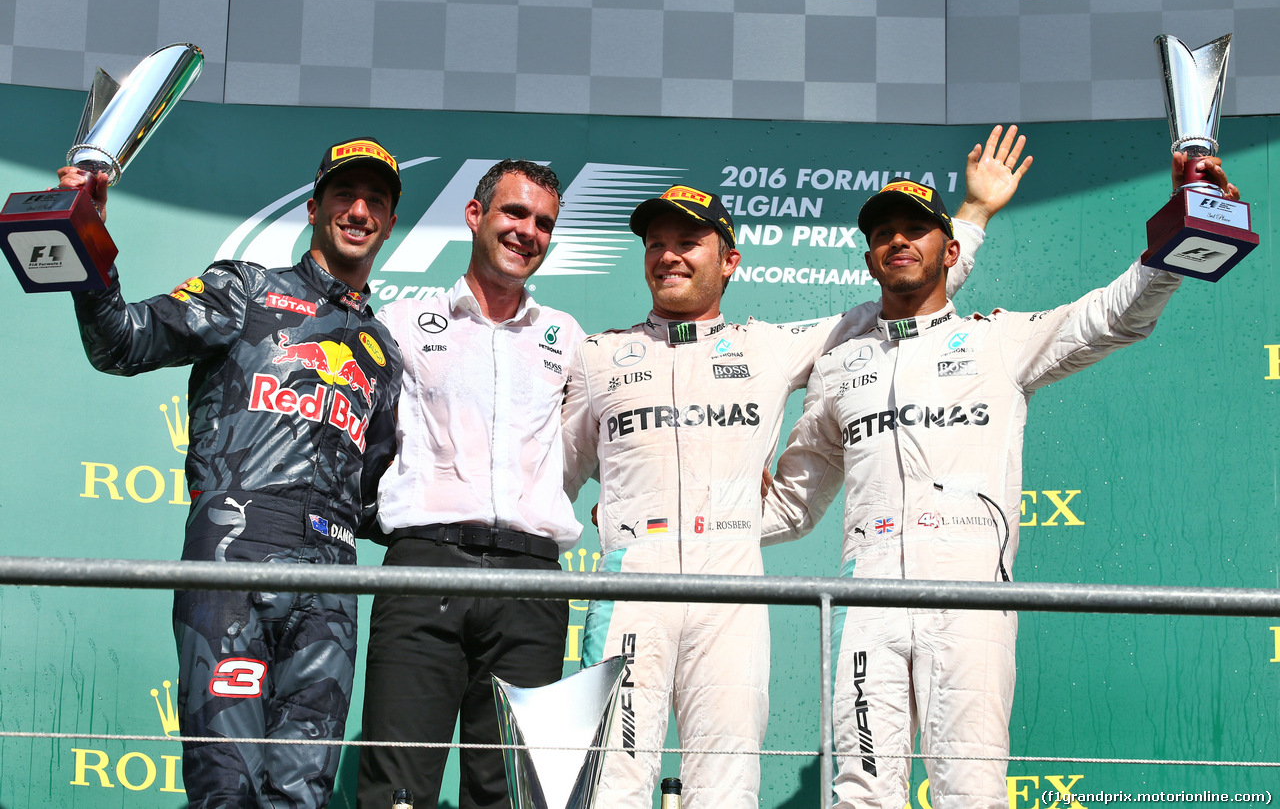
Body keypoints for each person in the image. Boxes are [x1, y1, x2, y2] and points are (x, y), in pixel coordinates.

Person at [560, 127, 1031, 808]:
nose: (668, 254)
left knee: (724, 791)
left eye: (688, 241)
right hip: (630, 581)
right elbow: (550, 480)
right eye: (656, 242)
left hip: (731, 590)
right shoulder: (597, 356)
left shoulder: (770, 347)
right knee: (610, 787)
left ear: (729, 261)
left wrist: (975, 217)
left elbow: (908, 296)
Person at [761, 154, 1240, 808]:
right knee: (862, 794)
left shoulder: (998, 343)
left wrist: (1182, 240)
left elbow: (1114, 316)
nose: (897, 240)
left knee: (971, 792)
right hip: (866, 599)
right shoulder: (840, 363)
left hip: (971, 597)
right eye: (882, 233)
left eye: (915, 229)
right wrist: (688, 518)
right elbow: (791, 503)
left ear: (949, 249)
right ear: (870, 258)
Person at [61, 137, 405, 808]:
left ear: (389, 223)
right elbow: (121, 340)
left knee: (301, 796)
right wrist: (85, 235)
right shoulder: (247, 290)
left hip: (333, 585)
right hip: (234, 564)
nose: (359, 210)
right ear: (313, 209)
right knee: (228, 788)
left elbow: (380, 498)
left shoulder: (384, 352)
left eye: (376, 202)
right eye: (344, 195)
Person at [357, 159, 585, 809]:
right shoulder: (402, 322)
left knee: (512, 796)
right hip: (424, 567)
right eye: (514, 213)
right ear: (476, 215)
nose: (528, 231)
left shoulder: (565, 338)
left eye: (543, 222)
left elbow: (588, 450)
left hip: (532, 583)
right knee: (396, 790)